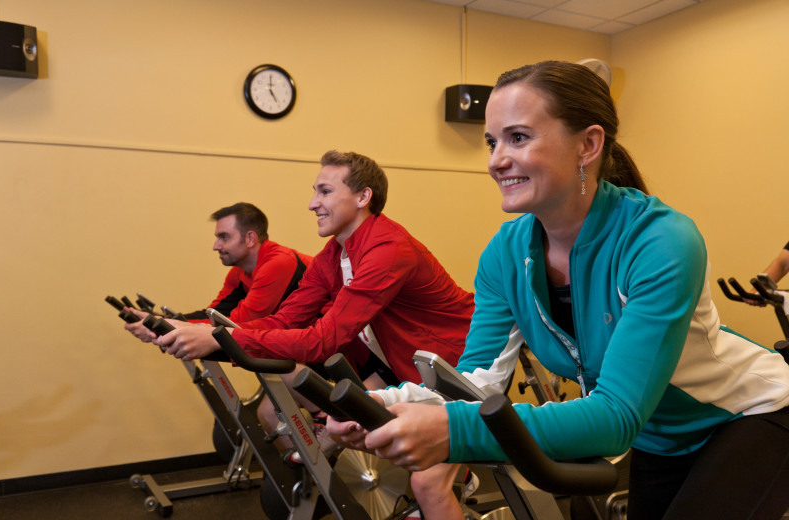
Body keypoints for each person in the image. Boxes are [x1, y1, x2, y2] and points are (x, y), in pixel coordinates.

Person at [332, 61, 789, 520]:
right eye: (492, 142)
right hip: (660, 436)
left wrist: (451, 431)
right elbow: (479, 382)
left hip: (752, 414)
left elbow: (614, 416)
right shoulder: (505, 253)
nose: (496, 160)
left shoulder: (661, 240)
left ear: (588, 145)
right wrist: (388, 403)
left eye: (518, 137)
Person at [153, 151, 475, 515]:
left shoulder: (388, 248)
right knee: (341, 426)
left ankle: (457, 473)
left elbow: (322, 339)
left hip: (457, 369)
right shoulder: (334, 253)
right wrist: (202, 331)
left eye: (324, 191)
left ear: (362, 197)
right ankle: (447, 472)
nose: (312, 203)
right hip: (406, 367)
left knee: (426, 482)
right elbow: (286, 320)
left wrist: (215, 340)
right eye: (314, 192)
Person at [124, 202, 313, 341]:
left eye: (224, 237)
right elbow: (215, 315)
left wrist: (169, 327)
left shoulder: (277, 263)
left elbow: (237, 325)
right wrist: (160, 321)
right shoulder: (238, 273)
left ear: (250, 238)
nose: (216, 246)